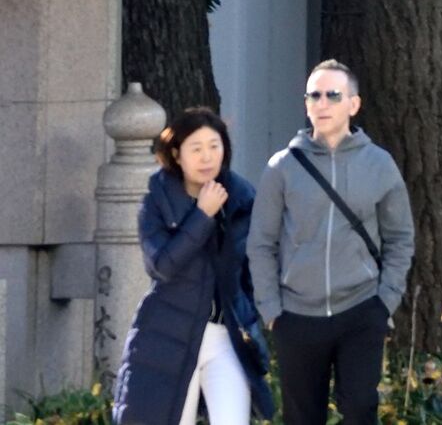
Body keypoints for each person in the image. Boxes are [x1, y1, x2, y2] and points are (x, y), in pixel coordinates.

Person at [249, 59, 415, 425]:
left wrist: (385, 301)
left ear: (353, 104)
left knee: (359, 409)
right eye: (314, 96)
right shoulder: (282, 167)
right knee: (301, 418)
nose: (322, 104)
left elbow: (400, 238)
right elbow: (261, 243)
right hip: (296, 316)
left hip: (361, 309)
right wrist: (271, 309)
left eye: (332, 95)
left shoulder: (380, 164)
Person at [114, 107, 273, 425]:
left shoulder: (242, 198)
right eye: (196, 148)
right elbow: (162, 266)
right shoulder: (156, 200)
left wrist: (256, 314)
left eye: (214, 146)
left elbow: (254, 267)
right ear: (177, 154)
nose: (206, 157)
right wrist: (202, 215)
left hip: (225, 337)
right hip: (169, 336)